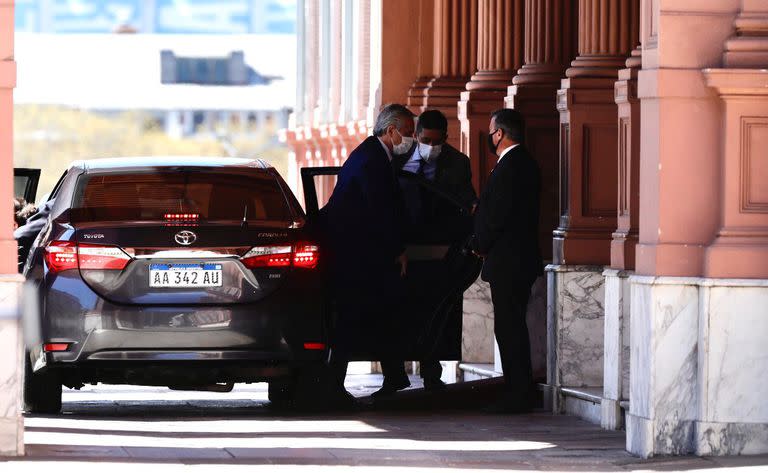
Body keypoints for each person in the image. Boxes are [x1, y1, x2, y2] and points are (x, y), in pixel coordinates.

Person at [378, 109, 478, 395]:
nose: (431, 147)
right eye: (425, 140)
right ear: (416, 136)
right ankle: (393, 376)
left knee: (432, 312)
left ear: (446, 138)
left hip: (438, 248)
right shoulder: (396, 158)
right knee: (395, 312)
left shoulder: (458, 163)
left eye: (437, 141)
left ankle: (431, 374)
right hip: (401, 248)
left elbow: (464, 198)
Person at [323, 103, 415, 402]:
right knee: (353, 317)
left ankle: (394, 375)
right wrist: (397, 249)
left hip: (363, 253)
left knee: (379, 313)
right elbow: (381, 211)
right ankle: (335, 384)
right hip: (357, 256)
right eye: (408, 133)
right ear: (392, 130)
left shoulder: (374, 155)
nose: (411, 140)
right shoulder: (372, 160)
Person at [473, 108, 543, 413]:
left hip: (509, 262)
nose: (490, 136)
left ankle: (518, 392)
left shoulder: (510, 166)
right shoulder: (524, 163)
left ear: (500, 133)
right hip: (520, 260)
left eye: (492, 131)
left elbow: (498, 215)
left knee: (509, 327)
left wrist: (479, 244)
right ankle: (518, 389)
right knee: (512, 326)